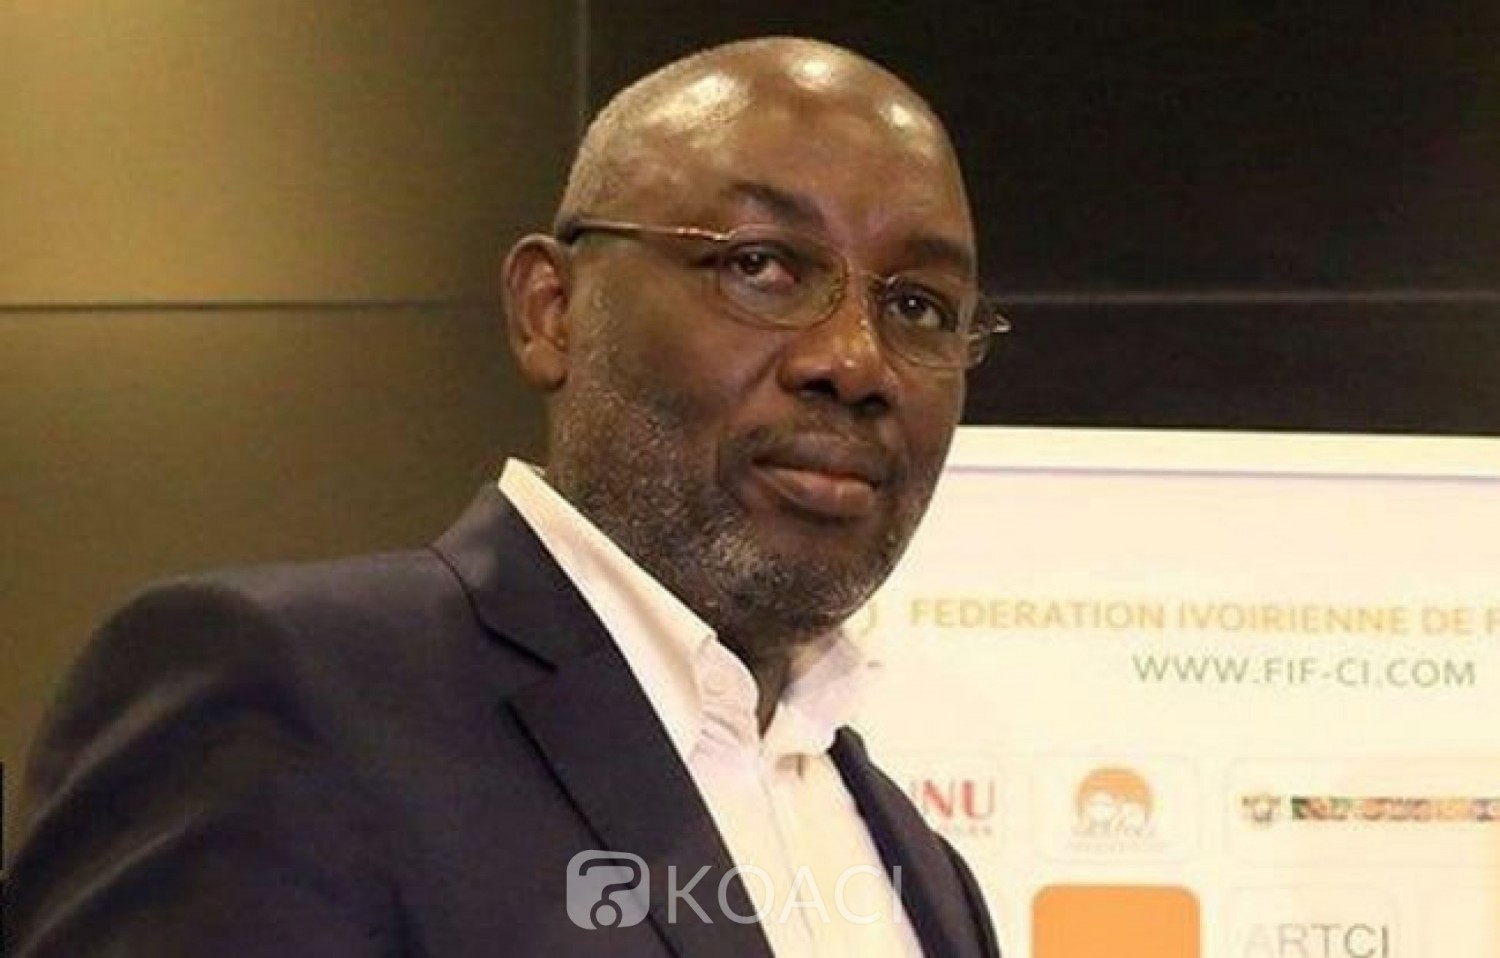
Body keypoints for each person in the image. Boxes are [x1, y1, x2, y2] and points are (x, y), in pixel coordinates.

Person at [6, 36, 1006, 957]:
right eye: (761, 265)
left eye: (920, 306)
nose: (854, 361)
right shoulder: (282, 701)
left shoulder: (922, 873)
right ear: (551, 311)